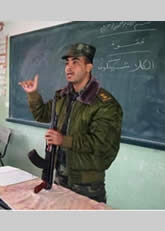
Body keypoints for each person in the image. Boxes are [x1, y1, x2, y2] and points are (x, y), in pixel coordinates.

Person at [19, 42, 123, 203]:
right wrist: (33, 94)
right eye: (67, 63)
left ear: (89, 67)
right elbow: (42, 115)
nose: (69, 67)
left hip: (87, 183)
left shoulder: (105, 104)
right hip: (60, 175)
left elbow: (102, 143)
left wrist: (63, 140)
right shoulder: (62, 96)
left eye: (75, 62)